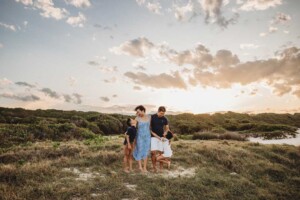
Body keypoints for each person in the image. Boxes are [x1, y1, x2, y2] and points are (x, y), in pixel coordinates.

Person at [150, 106, 169, 173]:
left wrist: (165, 133)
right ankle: (154, 168)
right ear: (158, 111)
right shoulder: (152, 117)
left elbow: (167, 128)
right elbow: (149, 129)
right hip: (153, 137)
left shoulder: (165, 119)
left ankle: (161, 168)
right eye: (161, 113)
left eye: (163, 113)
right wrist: (156, 136)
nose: (162, 115)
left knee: (161, 153)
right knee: (153, 153)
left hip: (162, 138)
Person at [133, 105, 151, 173]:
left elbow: (150, 127)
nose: (138, 113)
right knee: (140, 150)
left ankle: (145, 168)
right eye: (137, 112)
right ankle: (140, 167)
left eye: (138, 111)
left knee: (146, 151)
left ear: (143, 110)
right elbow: (133, 127)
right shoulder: (137, 118)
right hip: (139, 136)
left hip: (147, 137)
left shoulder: (149, 117)